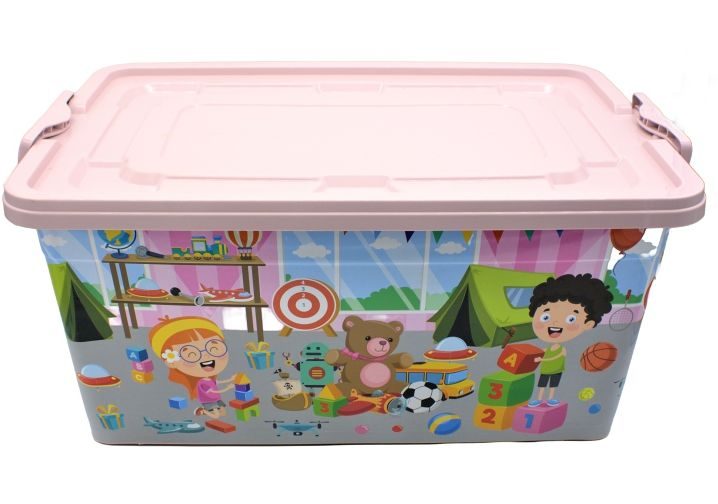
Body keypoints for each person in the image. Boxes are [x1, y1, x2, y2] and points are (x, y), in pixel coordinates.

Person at [527, 274, 613, 407]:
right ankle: (538, 399)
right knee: (542, 385)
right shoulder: (549, 348)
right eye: (545, 317)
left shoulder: (561, 349)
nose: (555, 323)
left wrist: (542, 359)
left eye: (571, 319)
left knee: (552, 385)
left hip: (555, 371)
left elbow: (556, 356)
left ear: (588, 324)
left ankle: (550, 399)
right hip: (545, 370)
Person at [149, 316, 236, 419]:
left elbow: (217, 383)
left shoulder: (208, 379)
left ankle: (204, 412)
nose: (206, 356)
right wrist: (228, 388)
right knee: (216, 416)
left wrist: (230, 379)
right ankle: (203, 410)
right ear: (171, 362)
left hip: (216, 399)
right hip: (209, 401)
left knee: (223, 413)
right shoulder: (202, 383)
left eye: (214, 349)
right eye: (191, 354)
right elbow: (212, 391)